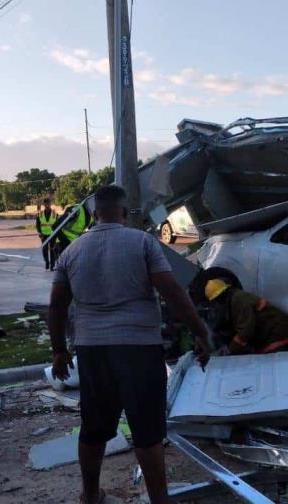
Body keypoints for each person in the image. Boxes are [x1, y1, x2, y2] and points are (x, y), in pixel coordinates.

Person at [49, 185, 210, 504]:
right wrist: (200, 331)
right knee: (147, 430)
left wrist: (59, 351)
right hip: (138, 347)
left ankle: (91, 495)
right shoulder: (142, 242)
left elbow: (56, 307)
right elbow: (173, 292)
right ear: (124, 213)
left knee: (93, 427)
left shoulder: (73, 250)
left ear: (94, 215)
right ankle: (159, 499)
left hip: (92, 350)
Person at [204, 279, 288, 355]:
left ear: (221, 297)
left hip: (280, 336)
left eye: (216, 301)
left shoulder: (238, 300)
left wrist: (229, 350)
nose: (216, 304)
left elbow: (245, 333)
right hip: (273, 334)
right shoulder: (233, 299)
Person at [34, 199, 59, 271]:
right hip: (43, 235)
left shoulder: (55, 214)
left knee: (52, 250)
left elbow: (58, 224)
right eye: (46, 204)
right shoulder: (40, 214)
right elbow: (37, 224)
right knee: (44, 249)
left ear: (50, 204)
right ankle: (47, 262)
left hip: (53, 234)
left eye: (49, 203)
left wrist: (57, 234)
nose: (47, 205)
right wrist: (39, 232)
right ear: (44, 205)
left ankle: (52, 265)